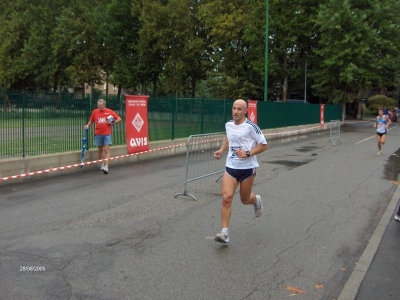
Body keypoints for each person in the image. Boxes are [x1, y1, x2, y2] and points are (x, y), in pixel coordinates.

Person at [213, 99, 268, 243]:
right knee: (226, 197)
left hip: (247, 168)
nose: (235, 112)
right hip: (231, 166)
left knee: (245, 199)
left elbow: (264, 145)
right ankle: (224, 233)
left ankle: (256, 199)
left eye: (239, 109)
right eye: (234, 108)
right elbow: (229, 138)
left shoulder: (251, 127)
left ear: (245, 111)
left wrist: (248, 153)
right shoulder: (228, 125)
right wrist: (221, 150)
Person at [85, 99, 121, 174]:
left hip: (107, 134)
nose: (99, 107)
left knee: (106, 150)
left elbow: (119, 119)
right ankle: (102, 164)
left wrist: (113, 123)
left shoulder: (109, 111)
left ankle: (106, 167)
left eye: (100, 105)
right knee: (100, 150)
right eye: (98, 105)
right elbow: (91, 121)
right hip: (98, 134)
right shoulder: (95, 112)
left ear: (104, 105)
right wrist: (88, 125)